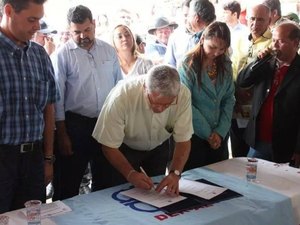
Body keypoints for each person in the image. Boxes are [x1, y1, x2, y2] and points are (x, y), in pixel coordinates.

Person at [51, 5, 122, 200]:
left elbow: (119, 88)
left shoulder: (108, 51)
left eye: (87, 30)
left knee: (107, 183)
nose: (83, 36)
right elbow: (57, 98)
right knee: (68, 184)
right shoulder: (62, 55)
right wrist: (62, 134)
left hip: (106, 123)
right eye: (77, 32)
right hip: (75, 127)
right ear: (69, 29)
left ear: (94, 25)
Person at [92, 64, 193, 195]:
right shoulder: (122, 96)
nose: (160, 109)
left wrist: (175, 173)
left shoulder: (183, 94)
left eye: (167, 105)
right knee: (116, 194)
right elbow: (108, 145)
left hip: (158, 147)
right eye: (155, 103)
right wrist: (130, 174)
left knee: (154, 194)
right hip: (122, 149)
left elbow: (183, 140)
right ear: (145, 87)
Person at [0, 0, 59, 213]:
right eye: (31, 20)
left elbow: (48, 108)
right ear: (9, 11)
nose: (37, 27)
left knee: (33, 218)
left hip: (34, 157)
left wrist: (48, 158)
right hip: (3, 157)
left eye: (39, 20)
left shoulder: (40, 55)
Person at [237, 22, 300, 167]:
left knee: (283, 187)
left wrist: (298, 148)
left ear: (296, 43)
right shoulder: (266, 63)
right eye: (273, 40)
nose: (275, 46)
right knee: (251, 181)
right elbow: (242, 81)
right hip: (258, 141)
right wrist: (259, 60)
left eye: (281, 41)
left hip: (287, 146)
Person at [178, 21, 235, 169]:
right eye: (212, 47)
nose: (216, 53)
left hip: (219, 134)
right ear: (203, 39)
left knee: (219, 180)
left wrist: (220, 131)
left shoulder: (226, 64)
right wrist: (208, 134)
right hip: (194, 134)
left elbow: (229, 99)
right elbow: (185, 103)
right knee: (194, 183)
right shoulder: (187, 64)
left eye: (222, 49)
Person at [230, 3, 272, 157]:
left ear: (269, 20)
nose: (255, 24)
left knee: (253, 160)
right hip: (235, 106)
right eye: (252, 19)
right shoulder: (239, 39)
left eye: (260, 20)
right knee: (236, 155)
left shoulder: (273, 43)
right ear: (246, 19)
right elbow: (232, 70)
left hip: (257, 110)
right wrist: (235, 92)